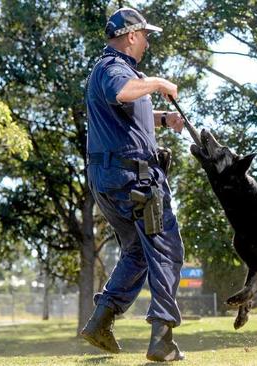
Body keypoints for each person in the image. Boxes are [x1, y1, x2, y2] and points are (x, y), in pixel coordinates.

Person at [81, 7, 186, 362]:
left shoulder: (115, 72)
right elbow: (122, 93)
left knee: (137, 253)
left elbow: (123, 112)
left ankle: (100, 321)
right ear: (131, 36)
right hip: (134, 181)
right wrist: (157, 83)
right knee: (166, 251)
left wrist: (160, 117)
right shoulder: (114, 69)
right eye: (145, 36)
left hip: (111, 180)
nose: (147, 42)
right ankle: (162, 340)